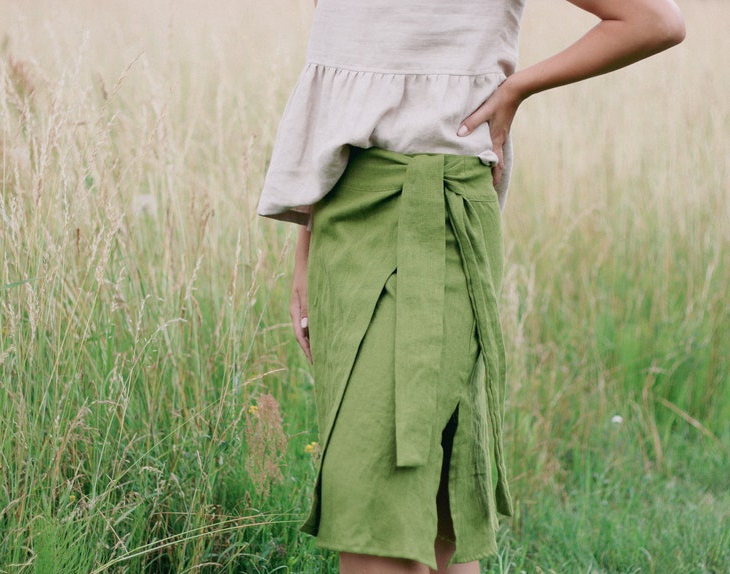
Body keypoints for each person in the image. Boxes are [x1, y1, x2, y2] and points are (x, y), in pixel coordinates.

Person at [257, 0, 685, 572]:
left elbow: (654, 20)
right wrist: (307, 241)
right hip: (343, 214)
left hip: (439, 211)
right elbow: (342, 74)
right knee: (430, 498)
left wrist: (517, 89)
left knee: (376, 494)